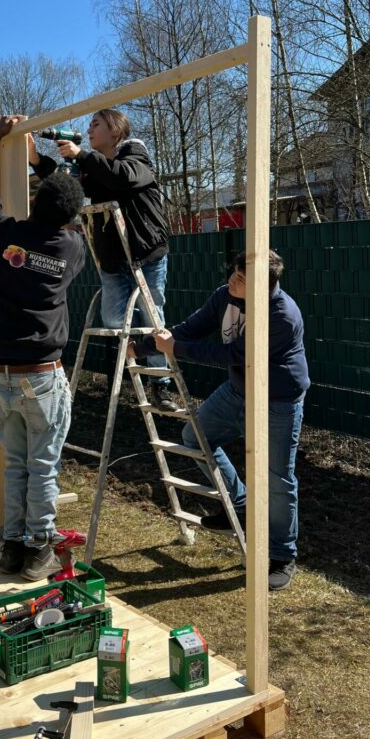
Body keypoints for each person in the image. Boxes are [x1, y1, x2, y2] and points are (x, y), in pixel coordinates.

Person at [130, 250, 309, 591]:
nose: (231, 281)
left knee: (277, 479)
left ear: (260, 286)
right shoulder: (224, 297)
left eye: (240, 279)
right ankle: (241, 508)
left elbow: (234, 354)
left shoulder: (282, 315)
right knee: (196, 437)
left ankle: (282, 555)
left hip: (277, 399)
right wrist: (142, 348)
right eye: (234, 273)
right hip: (239, 391)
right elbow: (188, 330)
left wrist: (175, 349)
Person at [0, 115, 86, 580]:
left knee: (17, 464)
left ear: (37, 204)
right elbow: (67, 203)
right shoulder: (71, 248)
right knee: (42, 466)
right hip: (41, 377)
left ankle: (14, 547)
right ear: (70, 217)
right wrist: (46, 162)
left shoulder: (1, 236)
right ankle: (38, 549)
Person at [29, 108, 177, 411]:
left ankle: (161, 384)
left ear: (115, 130)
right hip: (113, 259)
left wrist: (82, 155)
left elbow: (122, 177)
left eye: (95, 124)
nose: (89, 129)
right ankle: (140, 349)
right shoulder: (96, 168)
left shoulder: (136, 154)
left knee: (153, 318)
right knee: (113, 320)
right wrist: (37, 160)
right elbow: (66, 186)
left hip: (146, 254)